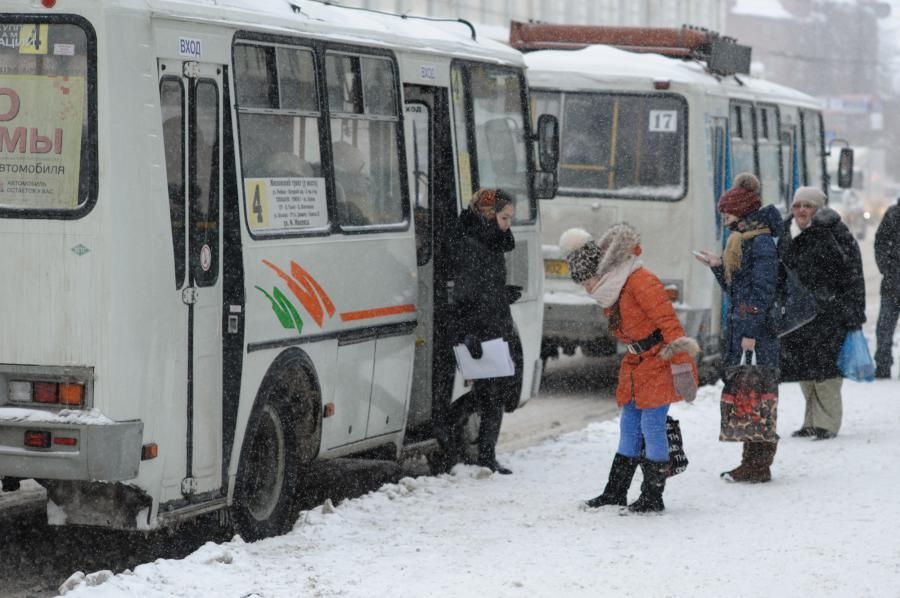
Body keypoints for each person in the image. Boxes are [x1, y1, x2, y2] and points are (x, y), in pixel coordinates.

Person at [561, 223, 699, 513]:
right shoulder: (612, 288)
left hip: (660, 360)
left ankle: (653, 495)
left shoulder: (639, 281)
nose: (587, 287)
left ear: (599, 271)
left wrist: (682, 367)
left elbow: (669, 324)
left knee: (652, 425)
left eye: (587, 280)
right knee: (629, 425)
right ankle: (615, 491)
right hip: (636, 364)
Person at [695, 173, 782, 482]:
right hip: (746, 328)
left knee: (757, 395)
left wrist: (750, 334)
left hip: (755, 334)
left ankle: (758, 465)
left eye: (728, 210)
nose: (724, 215)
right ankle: (752, 462)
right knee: (750, 393)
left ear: (743, 211)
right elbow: (739, 290)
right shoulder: (742, 239)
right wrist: (719, 268)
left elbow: (760, 293)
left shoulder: (759, 243)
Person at [777, 186, 865, 440]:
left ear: (818, 209)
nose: (802, 210)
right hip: (797, 315)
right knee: (806, 370)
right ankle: (811, 421)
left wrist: (853, 312)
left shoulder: (834, 233)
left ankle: (826, 423)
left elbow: (852, 275)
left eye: (808, 206)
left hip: (829, 313)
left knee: (826, 371)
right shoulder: (785, 233)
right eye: (797, 206)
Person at [450, 188, 519, 475]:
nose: (508, 224)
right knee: (490, 395)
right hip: (480, 329)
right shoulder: (471, 244)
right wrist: (469, 333)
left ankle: (485, 455)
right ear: (490, 215)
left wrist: (503, 295)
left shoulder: (489, 241)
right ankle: (475, 452)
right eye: (505, 217)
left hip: (493, 323)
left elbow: (484, 289)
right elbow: (467, 295)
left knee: (494, 393)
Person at [874, 196, 900, 378]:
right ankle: (883, 365)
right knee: (884, 327)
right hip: (892, 282)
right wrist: (888, 269)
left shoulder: (892, 214)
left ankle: (883, 364)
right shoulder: (892, 215)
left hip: (891, 281)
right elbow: (880, 243)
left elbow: (880, 244)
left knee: (885, 326)